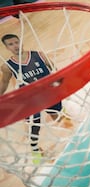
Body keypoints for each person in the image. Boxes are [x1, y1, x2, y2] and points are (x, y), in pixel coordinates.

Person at [0, 34, 73, 163]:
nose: (15, 46)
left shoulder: (39, 55)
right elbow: (4, 83)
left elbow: (54, 70)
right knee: (35, 126)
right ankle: (35, 150)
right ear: (6, 47)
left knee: (58, 116)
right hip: (30, 100)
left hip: (48, 94)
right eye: (11, 44)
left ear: (21, 42)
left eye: (16, 42)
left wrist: (58, 85)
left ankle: (65, 119)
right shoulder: (7, 66)